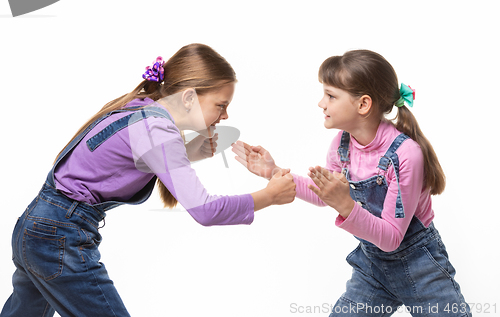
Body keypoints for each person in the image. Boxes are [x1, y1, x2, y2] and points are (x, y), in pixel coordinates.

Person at [1, 43, 296, 317]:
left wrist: (187, 152)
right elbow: (205, 210)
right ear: (190, 97)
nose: (226, 114)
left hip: (35, 227)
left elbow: (119, 160)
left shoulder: (139, 109)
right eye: (221, 104)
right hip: (58, 237)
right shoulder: (158, 130)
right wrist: (269, 195)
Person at [232, 49, 471, 316]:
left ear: (363, 104)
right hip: (373, 268)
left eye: (331, 96)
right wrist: (273, 171)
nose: (321, 103)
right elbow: (326, 195)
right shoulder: (341, 146)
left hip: (421, 268)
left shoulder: (406, 155)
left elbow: (392, 238)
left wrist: (346, 204)